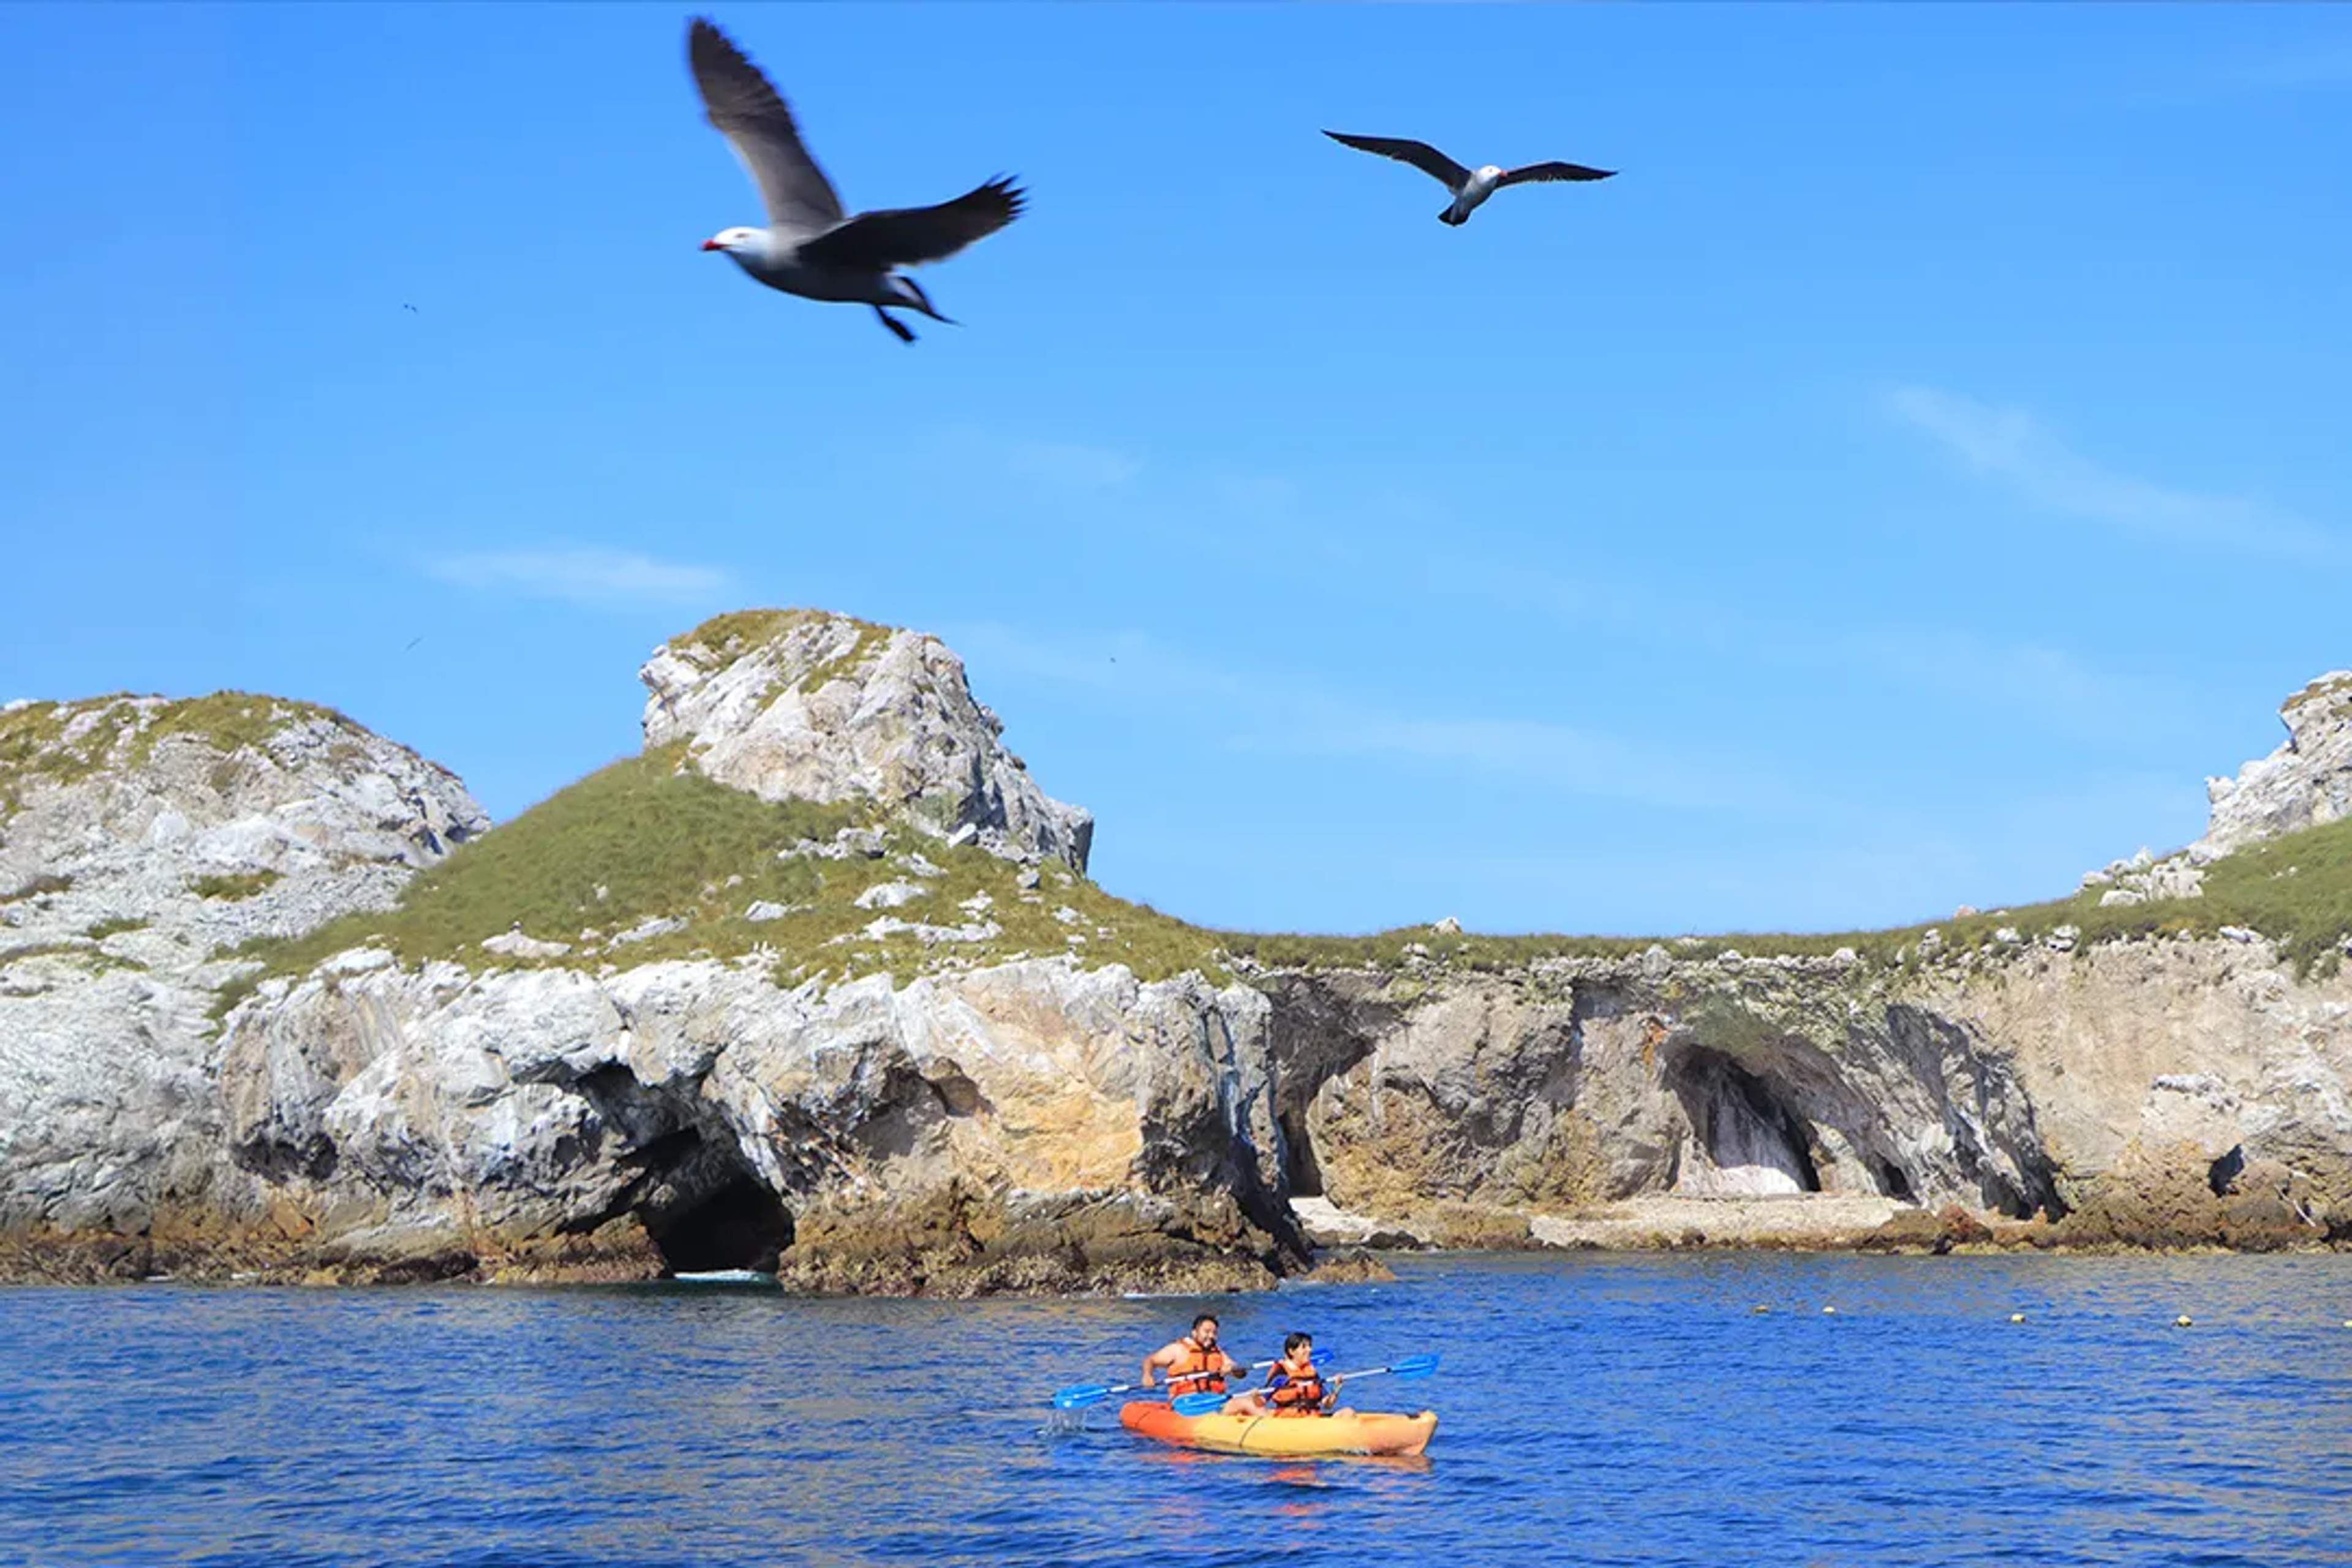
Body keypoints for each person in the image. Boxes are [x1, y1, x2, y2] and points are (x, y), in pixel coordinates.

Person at [1229, 1332, 1340, 1417]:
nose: (1310, 1350)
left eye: (1310, 1346)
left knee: (1348, 1412)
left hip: (1312, 1417)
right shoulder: (1281, 1373)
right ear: (1292, 1351)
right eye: (1304, 1347)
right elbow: (1261, 1403)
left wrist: (1336, 1388)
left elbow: (1328, 1405)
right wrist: (1255, 1396)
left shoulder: (1312, 1373)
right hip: (1289, 1420)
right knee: (1239, 1403)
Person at [1139, 1313, 1245, 1401]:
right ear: (1194, 1333)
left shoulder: (1218, 1352)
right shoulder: (1179, 1349)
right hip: (1187, 1402)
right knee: (1245, 1404)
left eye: (1215, 1333)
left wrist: (1232, 1369)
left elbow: (1241, 1373)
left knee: (1253, 1400)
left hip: (1214, 1399)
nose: (1211, 1336)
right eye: (1207, 1332)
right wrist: (1148, 1375)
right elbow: (1150, 1360)